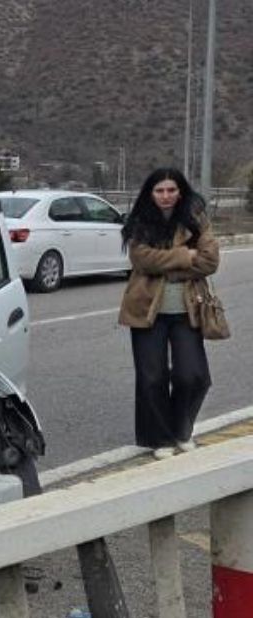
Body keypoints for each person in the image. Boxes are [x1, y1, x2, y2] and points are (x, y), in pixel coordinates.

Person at [118, 168, 218, 460]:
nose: (165, 196)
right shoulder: (140, 221)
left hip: (187, 309)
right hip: (146, 308)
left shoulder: (196, 218)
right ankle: (160, 438)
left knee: (193, 375)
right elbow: (141, 259)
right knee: (152, 378)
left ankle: (181, 429)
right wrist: (185, 256)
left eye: (171, 190)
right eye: (159, 191)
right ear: (151, 193)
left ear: (181, 191)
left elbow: (210, 261)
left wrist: (169, 261)